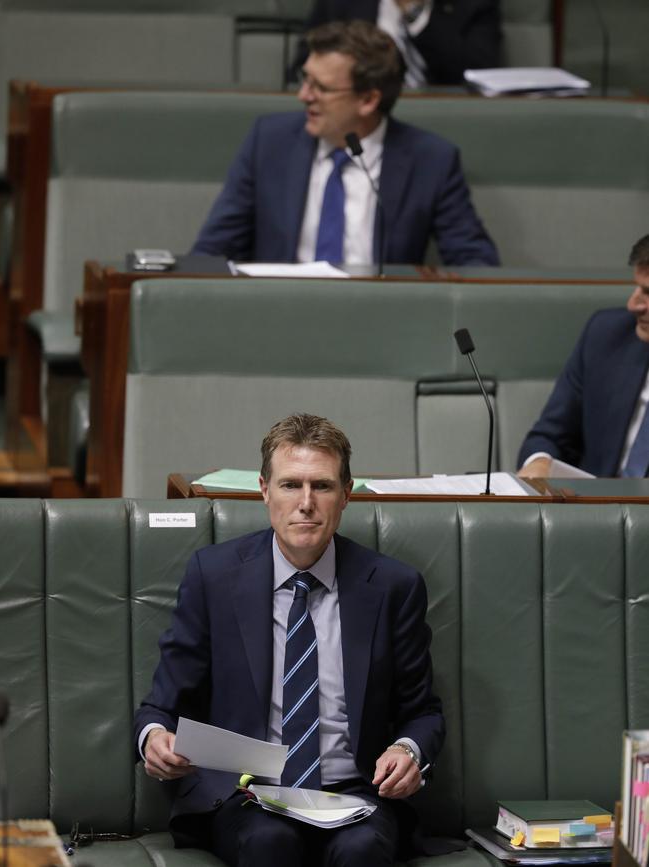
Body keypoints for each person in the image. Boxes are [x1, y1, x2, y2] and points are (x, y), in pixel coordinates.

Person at [134, 413, 445, 867]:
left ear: (346, 494)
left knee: (361, 851)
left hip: (354, 795)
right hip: (250, 793)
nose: (305, 503)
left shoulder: (393, 587)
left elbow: (423, 713)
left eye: (321, 486)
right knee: (269, 842)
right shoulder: (214, 577)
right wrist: (154, 739)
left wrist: (407, 750)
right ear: (264, 490)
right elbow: (159, 707)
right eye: (289, 485)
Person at [192, 20, 499, 267]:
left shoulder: (431, 160)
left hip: (383, 323)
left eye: (320, 87)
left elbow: (473, 260)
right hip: (280, 318)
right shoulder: (269, 143)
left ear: (368, 100)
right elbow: (213, 250)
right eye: (305, 79)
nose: (304, 95)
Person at [518, 234, 649, 479]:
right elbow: (550, 436)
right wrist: (540, 463)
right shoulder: (606, 337)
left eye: (648, 292)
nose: (634, 305)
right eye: (637, 287)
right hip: (596, 512)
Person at [292, 0, 501, 87]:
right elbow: (302, 68)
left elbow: (481, 77)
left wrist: (413, 13)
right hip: (359, 111)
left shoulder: (475, 4)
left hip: (444, 115)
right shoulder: (341, 3)